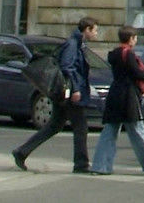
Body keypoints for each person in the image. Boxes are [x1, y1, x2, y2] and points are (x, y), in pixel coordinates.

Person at [14, 16, 95, 173]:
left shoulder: (77, 44)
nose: (97, 34)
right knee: (81, 128)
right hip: (69, 93)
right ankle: (81, 164)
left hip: (65, 93)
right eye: (95, 30)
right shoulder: (73, 44)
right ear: (87, 30)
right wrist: (76, 89)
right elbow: (67, 66)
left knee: (54, 126)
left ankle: (22, 152)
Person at [91, 27, 144, 176]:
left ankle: (100, 166)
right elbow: (136, 72)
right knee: (137, 130)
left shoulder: (113, 53)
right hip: (128, 95)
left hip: (115, 93)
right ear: (131, 39)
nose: (135, 41)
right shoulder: (128, 53)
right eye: (135, 38)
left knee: (109, 131)